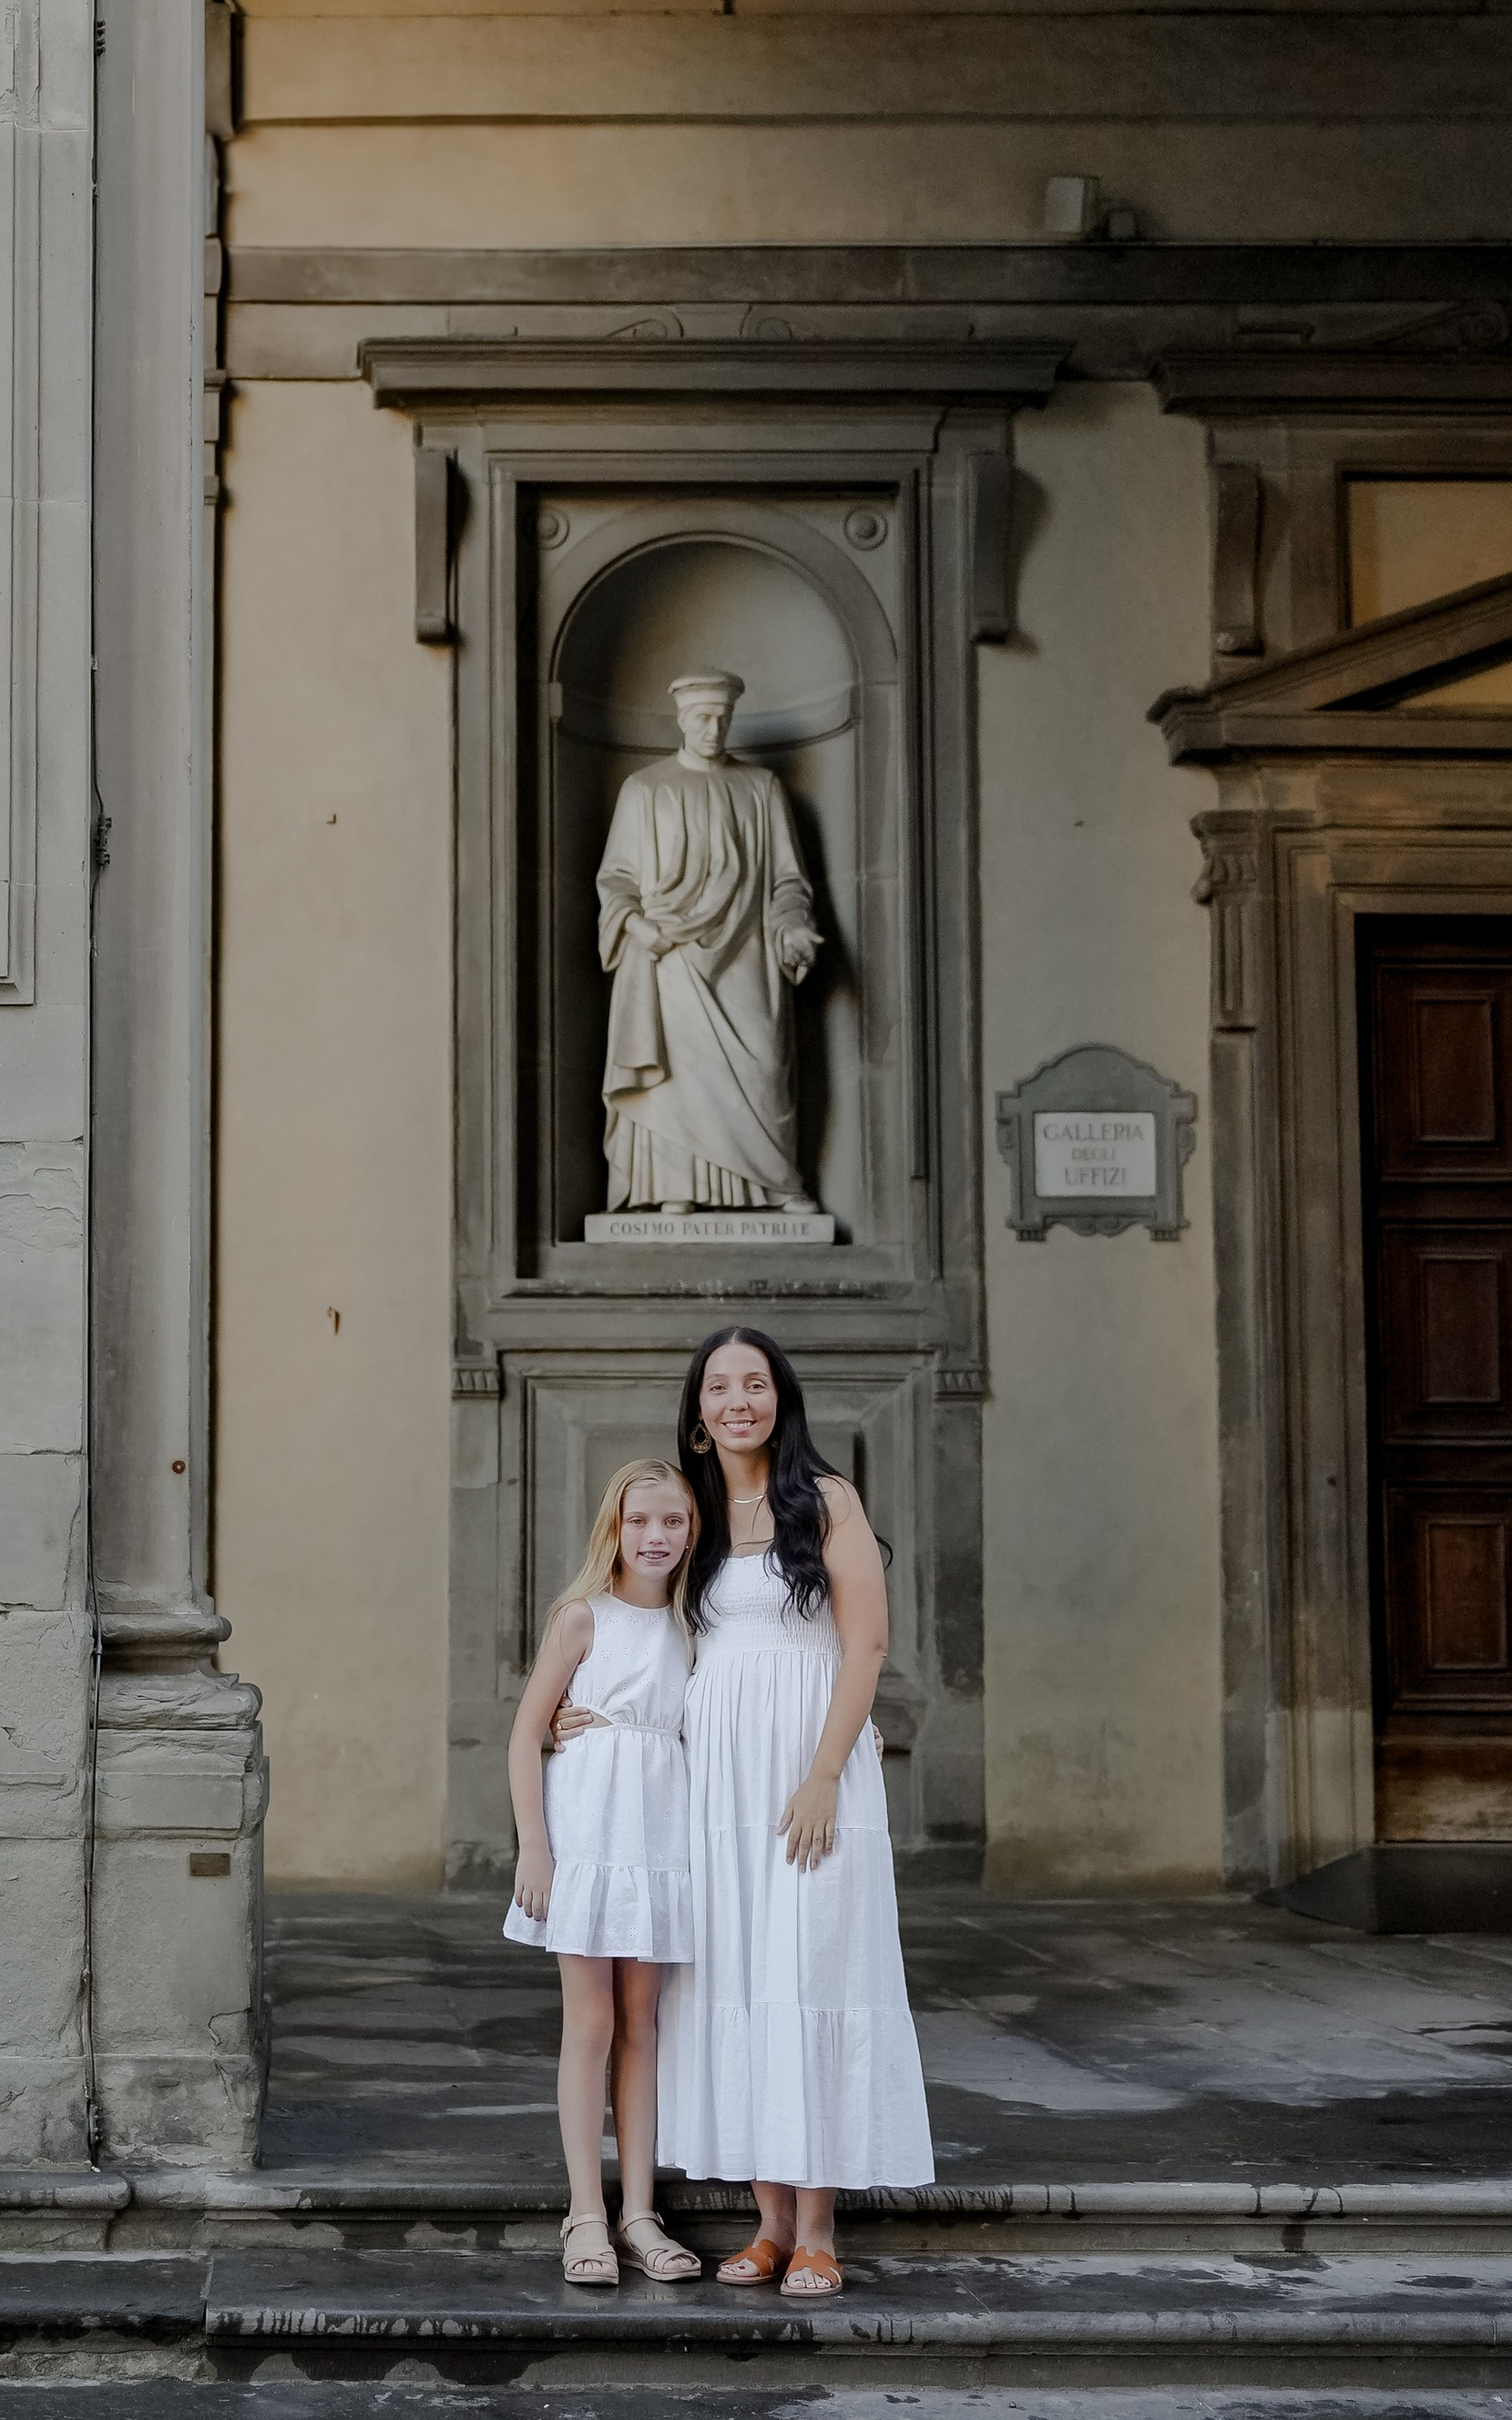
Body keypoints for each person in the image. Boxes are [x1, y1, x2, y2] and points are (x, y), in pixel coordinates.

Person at [645, 1327, 934, 2293]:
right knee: (741, 1980)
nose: (739, 1400)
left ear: (780, 1398)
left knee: (812, 1970)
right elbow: (628, 1623)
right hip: (716, 1784)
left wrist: (821, 1772)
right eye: (720, 1386)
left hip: (810, 1773)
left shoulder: (826, 1500)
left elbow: (865, 1647)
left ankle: (818, 2229)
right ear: (697, 1413)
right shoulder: (689, 1515)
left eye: (755, 1383)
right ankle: (766, 2221)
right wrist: (575, 1703)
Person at [503, 1462, 708, 2289]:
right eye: (640, 1522)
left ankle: (639, 2213)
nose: (656, 1537)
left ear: (693, 1534)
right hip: (588, 1834)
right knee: (588, 2024)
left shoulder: (701, 1627)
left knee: (644, 2025)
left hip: (662, 1839)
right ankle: (586, 2209)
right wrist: (534, 1847)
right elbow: (524, 1735)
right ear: (613, 1529)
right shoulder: (582, 1619)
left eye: (674, 1523)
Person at [595, 669, 823, 1214]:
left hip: (747, 955)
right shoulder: (646, 788)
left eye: (723, 718)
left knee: (765, 1066)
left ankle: (774, 1183)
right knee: (677, 1073)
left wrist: (792, 922)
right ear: (681, 719)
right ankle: (675, 1187)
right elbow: (617, 878)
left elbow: (788, 881)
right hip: (667, 958)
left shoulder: (761, 788)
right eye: (703, 717)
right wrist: (634, 923)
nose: (714, 728)